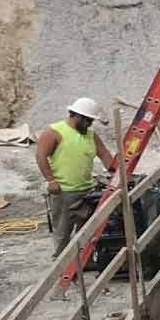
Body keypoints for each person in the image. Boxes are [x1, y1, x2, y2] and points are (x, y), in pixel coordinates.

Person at [35, 97, 116, 253]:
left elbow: (104, 154)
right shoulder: (54, 132)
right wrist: (51, 181)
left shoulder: (91, 134)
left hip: (87, 190)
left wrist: (115, 172)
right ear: (77, 116)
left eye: (91, 121)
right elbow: (40, 156)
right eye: (87, 120)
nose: (90, 124)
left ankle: (84, 262)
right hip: (64, 192)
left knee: (86, 231)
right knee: (63, 232)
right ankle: (63, 267)